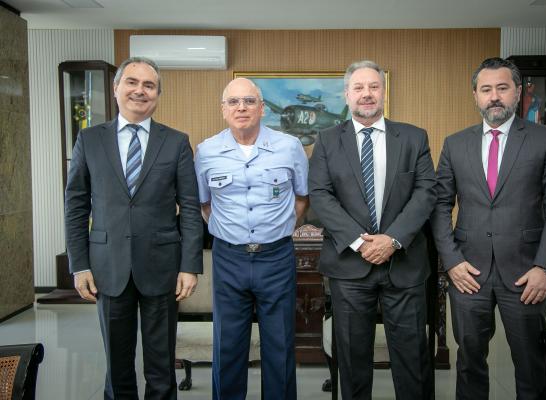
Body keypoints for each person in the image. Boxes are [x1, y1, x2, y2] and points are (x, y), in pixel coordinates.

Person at [431, 57, 546, 399]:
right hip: (468, 272)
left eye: (502, 88)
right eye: (486, 89)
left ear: (518, 92)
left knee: (531, 364)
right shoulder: (455, 144)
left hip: (526, 273)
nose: (494, 96)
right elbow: (439, 206)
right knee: (469, 363)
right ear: (476, 96)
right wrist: (451, 261)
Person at [65, 56, 204, 400]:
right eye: (132, 82)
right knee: (117, 365)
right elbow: (76, 204)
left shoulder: (175, 142)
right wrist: (79, 264)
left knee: (161, 366)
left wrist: (190, 265)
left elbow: (189, 208)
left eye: (149, 85)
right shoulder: (89, 139)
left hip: (161, 267)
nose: (139, 91)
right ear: (116, 89)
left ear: (157, 94)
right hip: (106, 266)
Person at [308, 60, 436, 399]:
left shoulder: (413, 137)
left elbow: (426, 193)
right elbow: (320, 195)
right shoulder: (326, 141)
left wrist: (392, 240)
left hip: (404, 265)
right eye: (359, 88)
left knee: (412, 359)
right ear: (347, 94)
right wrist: (358, 242)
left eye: (374, 87)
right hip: (350, 269)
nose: (367, 94)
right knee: (351, 360)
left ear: (384, 92)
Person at [194, 77, 308, 400]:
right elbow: (204, 204)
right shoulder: (206, 151)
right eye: (233, 102)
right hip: (229, 258)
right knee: (228, 345)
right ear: (223, 110)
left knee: (280, 345)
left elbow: (302, 198)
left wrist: (279, 227)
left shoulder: (290, 147)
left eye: (248, 101)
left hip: (277, 257)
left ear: (262, 108)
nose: (241, 107)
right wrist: (232, 232)